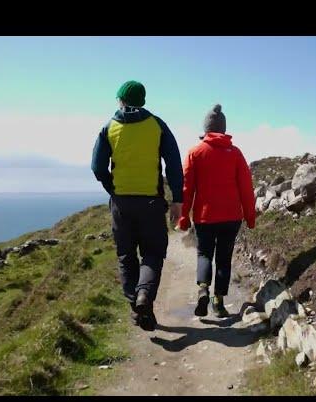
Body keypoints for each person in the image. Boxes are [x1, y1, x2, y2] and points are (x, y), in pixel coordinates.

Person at [91, 81, 183, 331]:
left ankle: (137, 305)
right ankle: (145, 297)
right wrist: (177, 200)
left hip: (121, 204)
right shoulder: (157, 125)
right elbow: (174, 163)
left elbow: (98, 167)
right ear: (142, 100)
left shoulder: (109, 127)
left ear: (120, 100)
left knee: (126, 256)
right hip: (152, 203)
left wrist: (113, 188)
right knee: (153, 253)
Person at [178, 104, 256, 317]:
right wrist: (250, 216)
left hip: (205, 217)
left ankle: (203, 288)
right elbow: (246, 188)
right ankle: (218, 302)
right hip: (231, 217)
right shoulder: (236, 153)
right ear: (223, 129)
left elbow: (187, 188)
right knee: (224, 259)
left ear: (206, 129)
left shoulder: (195, 152)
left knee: (204, 254)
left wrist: (184, 216)